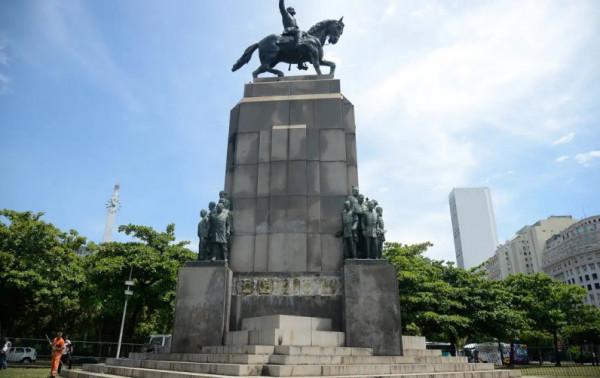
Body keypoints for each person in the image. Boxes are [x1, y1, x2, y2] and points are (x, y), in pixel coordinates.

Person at [278, 0, 308, 70]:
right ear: (288, 10)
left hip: (294, 31)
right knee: (299, 32)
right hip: (289, 31)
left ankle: (300, 63)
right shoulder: (285, 14)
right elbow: (281, 6)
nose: (293, 11)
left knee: (305, 37)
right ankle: (297, 44)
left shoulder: (294, 18)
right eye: (292, 9)